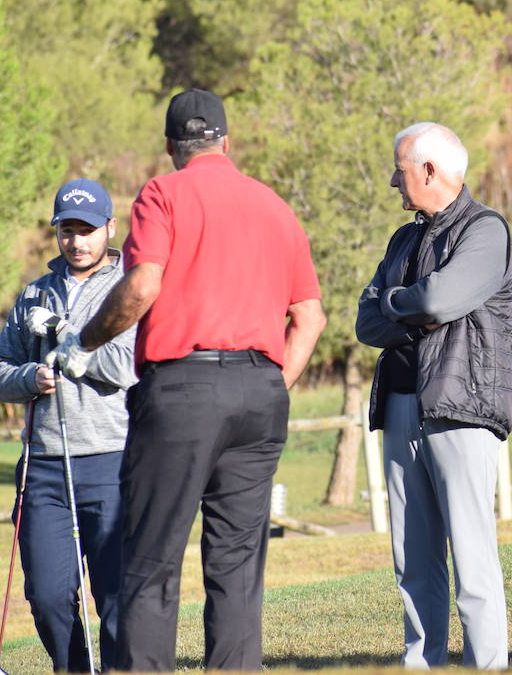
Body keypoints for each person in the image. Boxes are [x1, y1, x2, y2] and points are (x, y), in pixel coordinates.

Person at [45, 88, 326, 672]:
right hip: (261, 392)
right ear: (228, 141)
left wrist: (83, 342)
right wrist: (272, 384)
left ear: (171, 146)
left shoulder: (163, 192)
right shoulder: (273, 204)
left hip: (182, 391)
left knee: (150, 562)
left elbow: (143, 286)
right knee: (238, 566)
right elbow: (310, 317)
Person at [356, 122, 512, 670]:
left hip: (460, 411)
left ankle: (486, 666)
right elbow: (365, 321)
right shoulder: (403, 238)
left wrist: (397, 303)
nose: (392, 183)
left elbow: (440, 299)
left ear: (429, 170)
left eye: (399, 171)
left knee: (473, 559)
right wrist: (412, 307)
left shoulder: (485, 231)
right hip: (401, 409)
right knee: (414, 563)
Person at [0, 178, 137, 672]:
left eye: (88, 230)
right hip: (44, 466)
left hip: (112, 459)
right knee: (48, 594)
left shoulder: (129, 287)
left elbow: (124, 366)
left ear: (110, 228)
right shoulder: (34, 293)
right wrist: (31, 376)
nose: (77, 241)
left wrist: (66, 337)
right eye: (67, 231)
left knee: (117, 595)